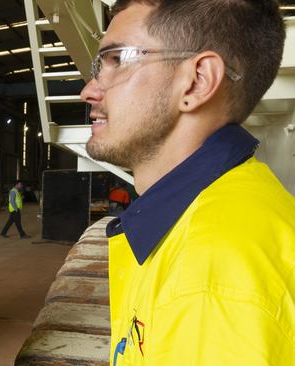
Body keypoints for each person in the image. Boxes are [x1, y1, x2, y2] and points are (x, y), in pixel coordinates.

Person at [80, 0, 293, 364]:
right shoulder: (224, 210)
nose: (89, 90)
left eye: (117, 60)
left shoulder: (211, 279)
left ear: (196, 81)